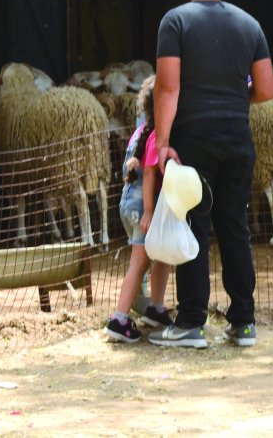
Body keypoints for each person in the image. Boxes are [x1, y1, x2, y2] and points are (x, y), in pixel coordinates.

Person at [147, 0, 273, 349]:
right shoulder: (250, 25)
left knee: (194, 225)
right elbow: (269, 89)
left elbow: (168, 87)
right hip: (238, 140)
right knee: (234, 225)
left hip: (194, 141)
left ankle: (190, 324)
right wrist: (236, 102)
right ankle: (244, 323)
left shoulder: (175, 22)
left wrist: (164, 144)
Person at [104, 75, 174, 343]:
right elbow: (147, 175)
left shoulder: (139, 131)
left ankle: (155, 308)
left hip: (128, 205)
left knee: (163, 253)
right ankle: (119, 319)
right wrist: (148, 210)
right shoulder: (157, 135)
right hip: (142, 208)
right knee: (139, 263)